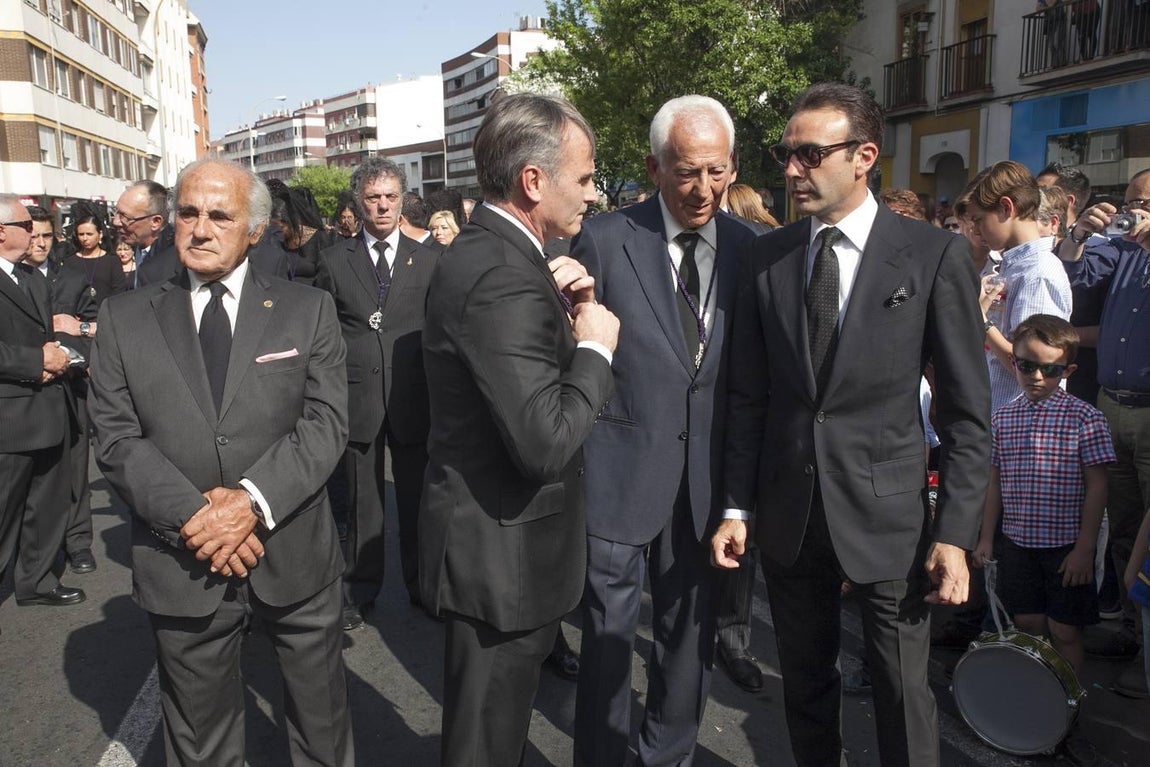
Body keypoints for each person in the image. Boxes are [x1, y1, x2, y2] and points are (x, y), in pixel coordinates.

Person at [712, 83, 991, 767]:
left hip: (889, 520)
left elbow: (966, 412)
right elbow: (750, 394)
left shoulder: (930, 255)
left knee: (901, 692)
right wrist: (738, 505)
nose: (791, 170)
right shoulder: (766, 257)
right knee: (805, 685)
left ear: (864, 155)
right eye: (786, 154)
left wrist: (955, 534)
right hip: (789, 515)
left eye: (810, 153)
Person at [88, 159, 353, 765]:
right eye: (188, 212)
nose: (200, 228)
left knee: (323, 734)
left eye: (219, 215)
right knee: (202, 746)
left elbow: (325, 423)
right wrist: (198, 519)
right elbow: (116, 438)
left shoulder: (306, 310)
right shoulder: (124, 319)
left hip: (295, 558)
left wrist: (251, 504)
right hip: (183, 563)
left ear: (254, 230)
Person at [418, 93, 618, 767]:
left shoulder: (506, 260)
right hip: (500, 562)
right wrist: (595, 347)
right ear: (535, 181)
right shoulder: (502, 274)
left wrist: (565, 308)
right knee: (486, 742)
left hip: (505, 552)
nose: (593, 193)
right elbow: (545, 441)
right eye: (586, 177)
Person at [568, 95, 757, 766]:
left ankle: (665, 754)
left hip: (705, 486)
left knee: (688, 638)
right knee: (608, 638)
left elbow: (745, 383)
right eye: (686, 171)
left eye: (717, 170)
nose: (703, 188)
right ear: (653, 166)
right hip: (618, 473)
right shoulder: (607, 238)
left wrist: (737, 496)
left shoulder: (750, 249)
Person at [315, 156, 440, 630]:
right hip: (358, 400)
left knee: (417, 504)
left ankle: (423, 587)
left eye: (390, 196)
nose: (383, 206)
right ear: (358, 203)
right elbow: (323, 335)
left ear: (403, 199)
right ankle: (358, 591)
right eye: (373, 198)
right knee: (364, 506)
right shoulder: (332, 261)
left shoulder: (430, 259)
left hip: (414, 399)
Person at [974, 314, 1115, 674]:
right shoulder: (1004, 418)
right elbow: (995, 481)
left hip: (1066, 545)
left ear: (1067, 370)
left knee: (1065, 630)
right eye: (1026, 365)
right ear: (1013, 362)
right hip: (1018, 544)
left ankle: (1069, 709)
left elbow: (1098, 486)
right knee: (1029, 625)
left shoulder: (1086, 418)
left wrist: (1085, 549)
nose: (1036, 376)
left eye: (1049, 369)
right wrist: (987, 538)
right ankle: (1037, 708)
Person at [1058, 172, 1150, 696]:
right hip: (1113, 405)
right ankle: (1134, 635)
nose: (1134, 212)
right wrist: (1077, 234)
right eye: (1131, 202)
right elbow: (1074, 277)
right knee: (1125, 528)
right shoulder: (1124, 253)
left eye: (1145, 204)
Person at [0, 195, 84, 609]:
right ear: (1, 232)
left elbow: (51, 335)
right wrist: (37, 362)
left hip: (51, 408)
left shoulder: (32, 277)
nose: (34, 233)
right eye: (25, 225)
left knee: (47, 506)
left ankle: (37, 581)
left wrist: (61, 356)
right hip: (9, 418)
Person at [963, 160, 1072, 413]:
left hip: (1024, 422)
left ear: (1006, 207)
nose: (976, 230)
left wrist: (982, 321)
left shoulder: (1038, 272)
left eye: (979, 219)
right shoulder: (1013, 265)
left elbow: (1035, 366)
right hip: (1001, 412)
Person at [26, 206, 99, 576]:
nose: (38, 243)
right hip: (27, 395)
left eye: (45, 236)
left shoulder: (70, 278)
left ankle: (79, 543)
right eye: (32, 235)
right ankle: (37, 552)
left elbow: (98, 327)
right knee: (34, 479)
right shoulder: (13, 279)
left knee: (74, 472)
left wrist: (75, 344)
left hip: (72, 388)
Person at [114, 180, 173, 288]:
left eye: (125, 217)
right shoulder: (138, 245)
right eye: (116, 212)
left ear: (155, 222)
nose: (116, 222)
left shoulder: (171, 263)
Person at [64, 204, 126, 303]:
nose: (85, 238)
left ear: (100, 234)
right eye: (81, 234)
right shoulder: (70, 262)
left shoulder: (112, 261)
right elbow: (66, 292)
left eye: (89, 234)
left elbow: (119, 291)